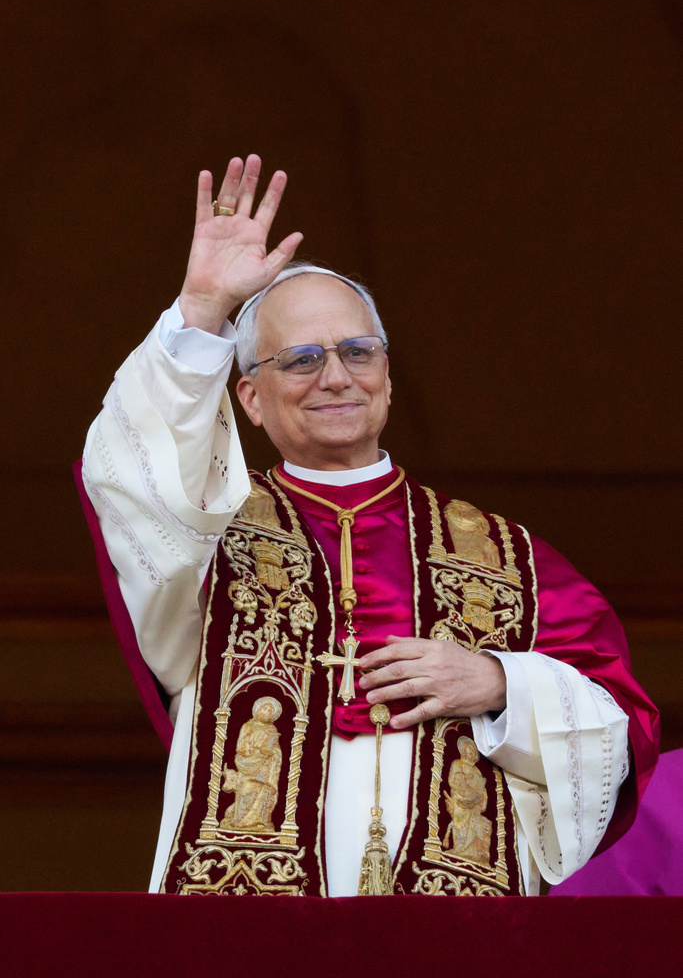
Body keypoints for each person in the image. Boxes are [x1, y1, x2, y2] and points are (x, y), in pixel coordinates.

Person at [81, 155, 659, 897]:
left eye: (358, 352)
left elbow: (622, 730)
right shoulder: (203, 539)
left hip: (452, 934)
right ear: (250, 398)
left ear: (386, 376)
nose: (335, 377)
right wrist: (201, 312)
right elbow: (134, 480)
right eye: (301, 360)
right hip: (245, 927)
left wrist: (499, 681)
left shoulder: (508, 556)